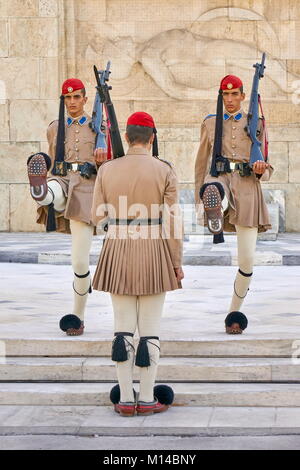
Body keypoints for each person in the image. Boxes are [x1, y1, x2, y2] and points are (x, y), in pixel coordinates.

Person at [91, 111, 184, 417]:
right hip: (155, 248)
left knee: (122, 329)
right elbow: (172, 222)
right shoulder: (164, 170)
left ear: (127, 137)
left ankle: (125, 399)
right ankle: (146, 398)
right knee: (151, 330)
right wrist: (176, 262)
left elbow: (97, 217)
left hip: (117, 247)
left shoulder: (106, 170)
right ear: (152, 138)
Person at [27, 78, 107, 336]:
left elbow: (112, 167)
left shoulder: (100, 129)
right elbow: (53, 160)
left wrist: (103, 155)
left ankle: (78, 315)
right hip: (61, 180)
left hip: (86, 191)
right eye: (67, 98)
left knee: (80, 261)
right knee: (53, 189)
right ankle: (41, 192)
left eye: (76, 97)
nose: (72, 102)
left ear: (85, 99)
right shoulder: (55, 128)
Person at [195, 74, 274, 334]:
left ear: (242, 96)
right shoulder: (210, 123)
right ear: (221, 96)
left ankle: (234, 312)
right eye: (225, 94)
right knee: (214, 189)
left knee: (247, 261)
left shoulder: (256, 123)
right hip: (219, 178)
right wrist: (199, 195)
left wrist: (262, 169)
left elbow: (269, 166)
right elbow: (201, 162)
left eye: (234, 94)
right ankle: (214, 205)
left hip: (248, 186)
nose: (229, 99)